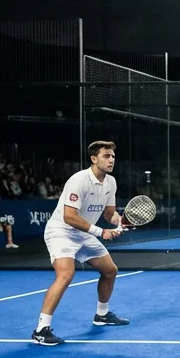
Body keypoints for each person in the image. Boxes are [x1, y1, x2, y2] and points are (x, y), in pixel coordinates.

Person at [30, 141, 130, 346]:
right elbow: (69, 217)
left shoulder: (111, 182)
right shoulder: (78, 181)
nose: (111, 160)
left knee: (110, 271)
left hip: (83, 234)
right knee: (66, 274)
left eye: (113, 156)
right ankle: (41, 330)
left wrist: (120, 222)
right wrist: (101, 232)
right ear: (93, 159)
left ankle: (102, 315)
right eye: (106, 156)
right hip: (61, 232)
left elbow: (109, 214)